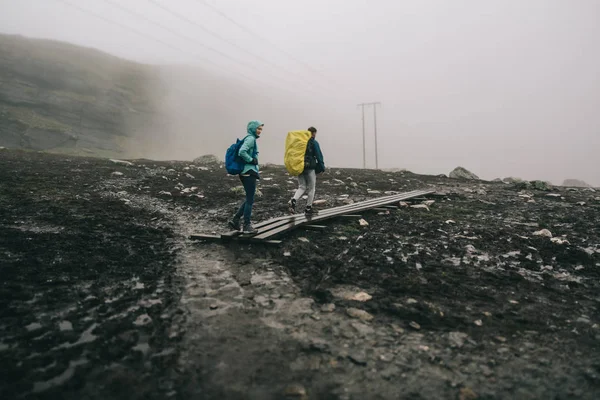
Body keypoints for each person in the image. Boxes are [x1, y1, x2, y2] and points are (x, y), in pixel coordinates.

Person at [228, 120, 263, 234]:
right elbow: (242, 151)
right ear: (253, 128)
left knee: (249, 197)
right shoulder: (251, 139)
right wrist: (251, 160)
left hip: (245, 172)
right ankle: (247, 225)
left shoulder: (249, 138)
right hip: (249, 172)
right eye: (258, 128)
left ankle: (236, 220)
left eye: (261, 129)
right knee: (250, 199)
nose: (259, 131)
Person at [288, 126, 325, 215]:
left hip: (300, 167)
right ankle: (308, 208)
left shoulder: (301, 142)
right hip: (310, 168)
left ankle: (293, 200)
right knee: (312, 188)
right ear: (314, 133)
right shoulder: (314, 142)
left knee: (302, 186)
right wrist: (322, 167)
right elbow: (318, 155)